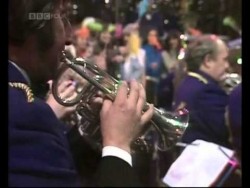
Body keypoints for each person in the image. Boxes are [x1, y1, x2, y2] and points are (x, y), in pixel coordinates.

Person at [8, 0, 154, 187]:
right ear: (33, 30)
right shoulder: (26, 115)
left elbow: (51, 165)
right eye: (61, 19)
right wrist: (118, 145)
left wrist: (87, 136)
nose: (68, 38)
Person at [173, 34, 232, 148]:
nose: (227, 66)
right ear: (208, 60)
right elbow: (230, 131)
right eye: (224, 60)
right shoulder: (206, 91)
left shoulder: (188, 83)